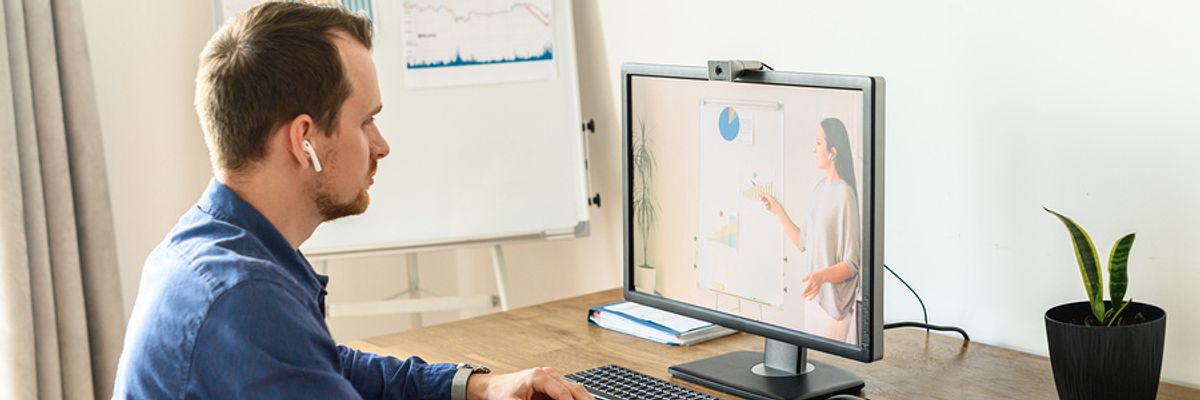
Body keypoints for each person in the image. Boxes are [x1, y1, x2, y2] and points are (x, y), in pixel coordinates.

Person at [111, 2, 593, 399]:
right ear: (305, 140)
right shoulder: (243, 295)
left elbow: (326, 364)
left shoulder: (216, 244)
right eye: (366, 121)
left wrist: (478, 387)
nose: (381, 146)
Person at [759, 117, 862, 342]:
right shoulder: (819, 189)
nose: (813, 149)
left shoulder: (845, 195)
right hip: (813, 299)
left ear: (833, 152)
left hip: (833, 307)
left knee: (826, 368)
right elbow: (802, 242)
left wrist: (821, 276)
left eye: (818, 143)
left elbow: (851, 265)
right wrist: (777, 210)